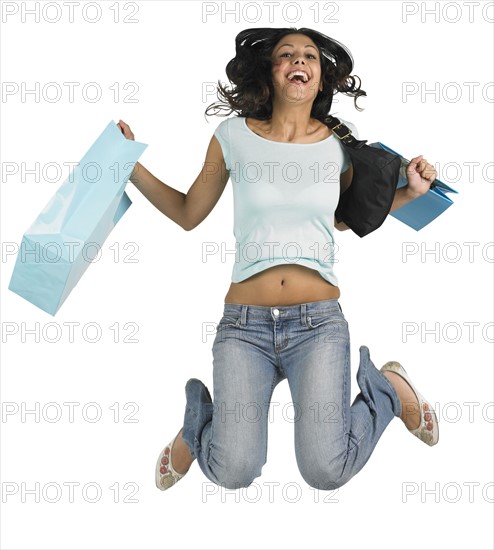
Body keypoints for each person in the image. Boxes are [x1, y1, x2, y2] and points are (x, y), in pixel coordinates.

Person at [117, 27, 439, 493]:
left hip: (319, 327)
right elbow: (188, 213)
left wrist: (410, 191)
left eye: (308, 55)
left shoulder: (338, 150)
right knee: (233, 470)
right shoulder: (231, 137)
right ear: (270, 73)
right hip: (244, 328)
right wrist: (130, 164)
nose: (298, 60)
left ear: (320, 79)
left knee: (325, 470)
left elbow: (347, 221)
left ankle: (388, 389)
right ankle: (198, 429)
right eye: (285, 55)